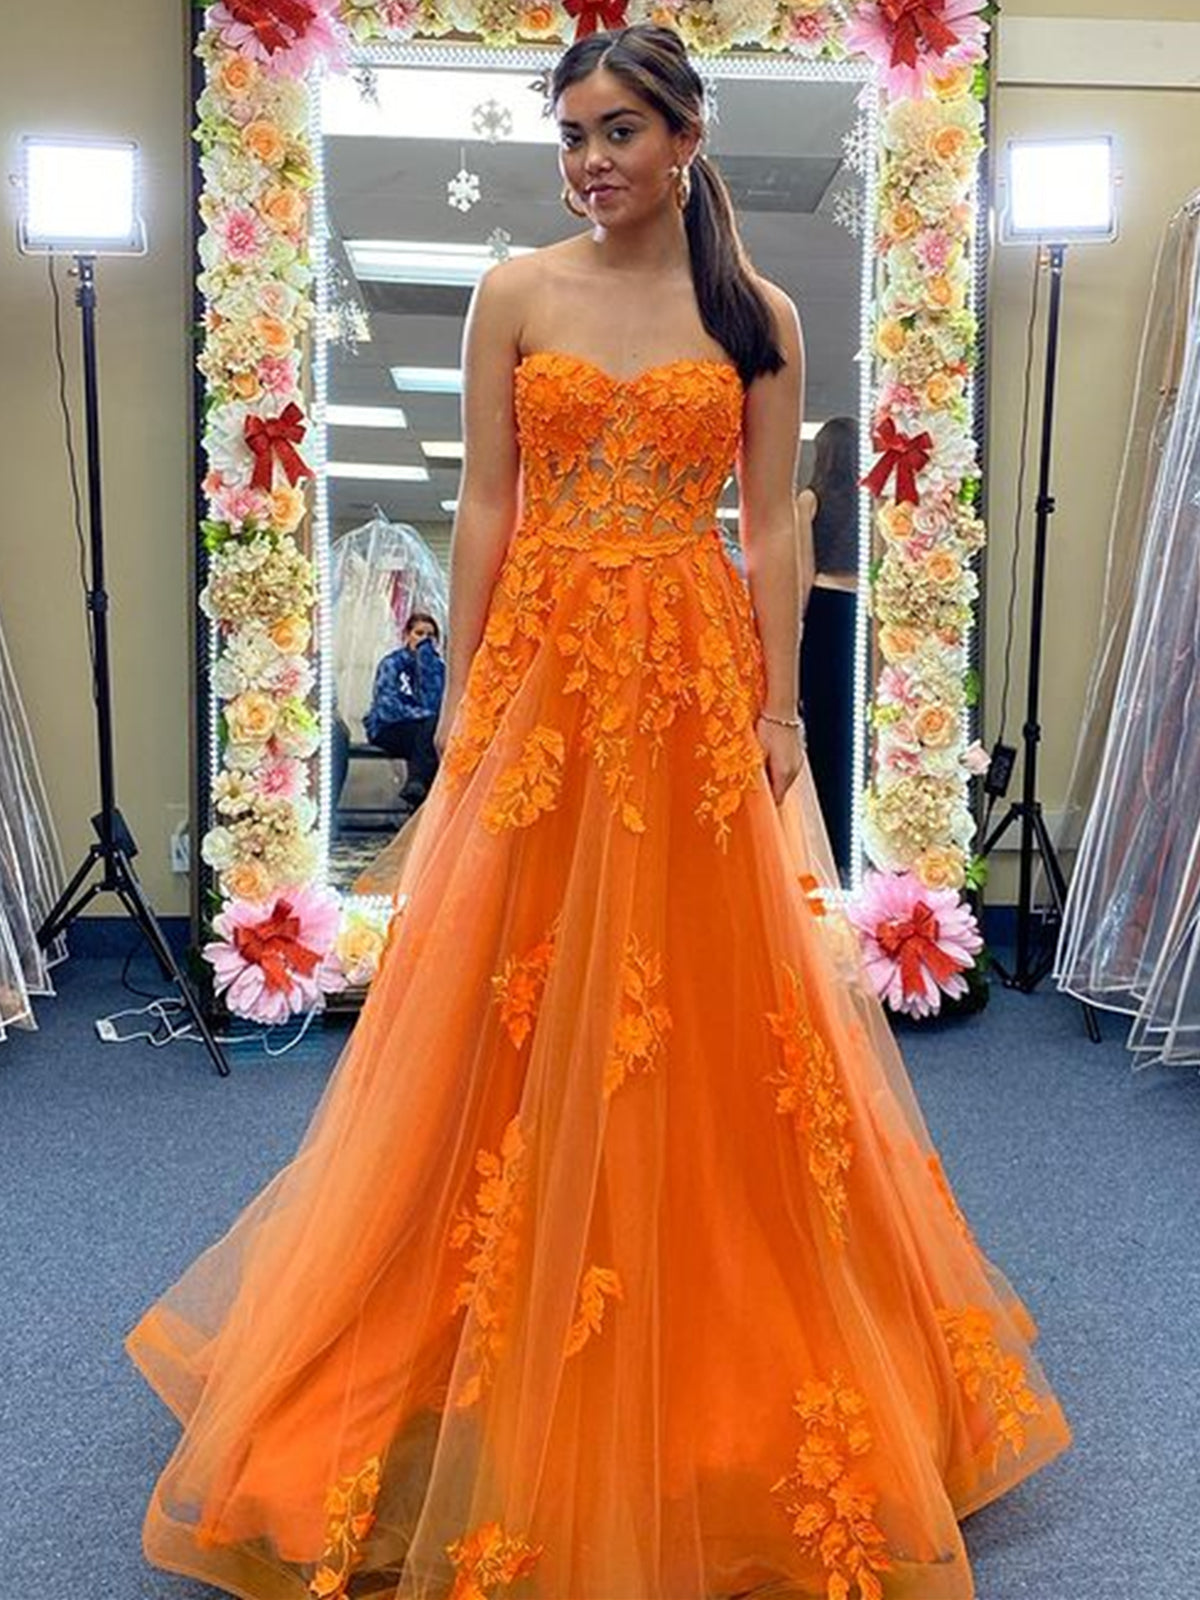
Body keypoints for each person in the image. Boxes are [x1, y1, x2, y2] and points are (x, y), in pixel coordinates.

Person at [127, 25, 1070, 1600]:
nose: (590, 159)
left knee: (706, 1000)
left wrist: (778, 708)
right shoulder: (518, 291)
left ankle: (701, 1325)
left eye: (621, 129)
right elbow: (483, 502)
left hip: (694, 681)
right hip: (553, 673)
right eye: (572, 134)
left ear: (687, 136)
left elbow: (772, 523)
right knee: (510, 981)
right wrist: (481, 688)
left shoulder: (756, 317)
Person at [797, 416, 859, 877]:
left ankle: (828, 840)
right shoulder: (871, 501)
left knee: (822, 729)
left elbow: (802, 570)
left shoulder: (808, 500)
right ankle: (854, 832)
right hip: (860, 613)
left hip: (822, 611)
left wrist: (795, 626)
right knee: (855, 729)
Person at [364, 612, 447, 808]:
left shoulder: (438, 667)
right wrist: (423, 716)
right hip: (389, 728)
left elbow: (435, 703)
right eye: (419, 633)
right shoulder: (392, 663)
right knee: (428, 734)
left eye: (430, 635)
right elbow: (388, 707)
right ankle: (420, 795)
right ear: (407, 635)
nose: (424, 640)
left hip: (422, 734)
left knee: (429, 736)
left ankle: (418, 793)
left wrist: (427, 665)